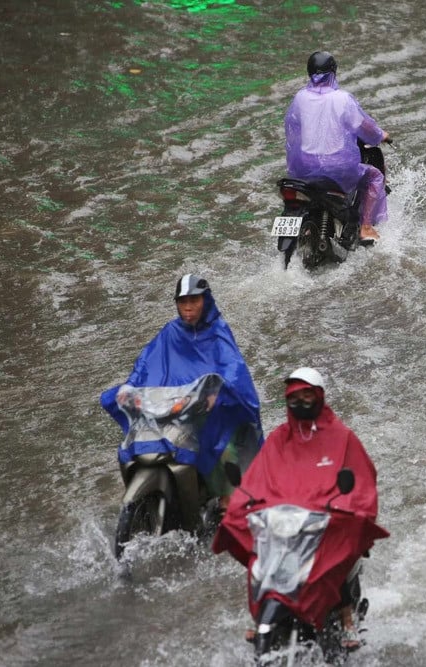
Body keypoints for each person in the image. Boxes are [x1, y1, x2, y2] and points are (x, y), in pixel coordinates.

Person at [213, 367, 388, 650]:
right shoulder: (277, 440)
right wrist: (241, 505)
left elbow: (362, 480)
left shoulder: (342, 437)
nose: (301, 401)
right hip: (286, 521)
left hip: (326, 522)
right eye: (295, 395)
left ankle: (346, 617)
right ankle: (262, 617)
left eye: (308, 394)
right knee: (258, 551)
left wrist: (349, 508)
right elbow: (258, 480)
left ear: (319, 396)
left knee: (337, 547)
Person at [101, 275, 263, 509]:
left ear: (205, 301)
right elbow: (145, 363)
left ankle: (227, 504)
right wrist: (129, 387)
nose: (188, 307)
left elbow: (233, 367)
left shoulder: (218, 332)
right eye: (183, 301)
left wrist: (218, 389)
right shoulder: (170, 332)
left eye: (194, 300)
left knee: (223, 447)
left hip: (209, 410)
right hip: (174, 405)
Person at [285, 51, 390, 242]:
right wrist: (381, 135)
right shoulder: (343, 99)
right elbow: (365, 127)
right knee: (375, 176)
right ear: (333, 72)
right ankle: (365, 227)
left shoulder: (299, 98)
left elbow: (294, 128)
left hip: (303, 168)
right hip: (338, 169)